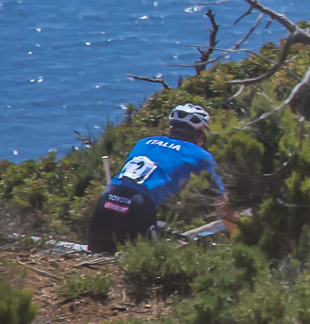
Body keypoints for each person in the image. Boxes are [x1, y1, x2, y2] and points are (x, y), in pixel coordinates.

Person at [86, 104, 237, 254]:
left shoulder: (143, 142)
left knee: (95, 259)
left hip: (107, 197)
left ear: (171, 129)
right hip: (139, 205)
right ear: (200, 137)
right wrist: (242, 241)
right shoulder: (200, 155)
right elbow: (224, 206)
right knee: (151, 263)